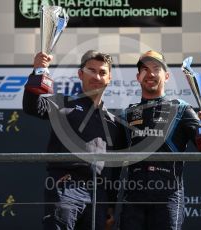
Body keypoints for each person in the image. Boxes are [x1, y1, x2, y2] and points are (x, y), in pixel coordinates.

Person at [22, 50, 126, 230]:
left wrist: (110, 205)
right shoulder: (63, 103)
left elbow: (114, 170)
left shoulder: (114, 123)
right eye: (91, 70)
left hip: (98, 195)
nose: (97, 76)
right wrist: (38, 71)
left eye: (102, 72)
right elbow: (33, 106)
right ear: (80, 74)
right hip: (66, 186)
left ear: (109, 79)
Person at [119, 50, 201, 230]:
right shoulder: (127, 114)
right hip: (133, 198)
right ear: (138, 76)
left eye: (156, 69)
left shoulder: (180, 109)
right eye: (144, 69)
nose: (150, 74)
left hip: (168, 197)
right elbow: (113, 161)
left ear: (166, 76)